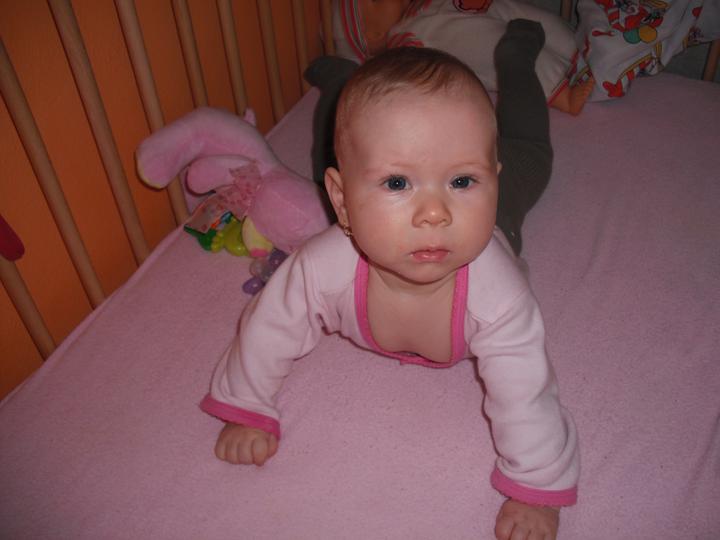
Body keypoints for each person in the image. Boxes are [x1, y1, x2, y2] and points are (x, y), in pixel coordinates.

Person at [201, 21, 579, 540]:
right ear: (341, 204)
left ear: (489, 179)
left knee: (530, 151)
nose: (434, 213)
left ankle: (516, 63)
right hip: (371, 191)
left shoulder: (497, 297)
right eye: (398, 183)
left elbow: (526, 393)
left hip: (499, 218)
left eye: (463, 181)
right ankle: (343, 83)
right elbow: (270, 326)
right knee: (344, 142)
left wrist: (535, 487)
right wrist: (247, 407)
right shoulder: (322, 266)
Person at [334, 0, 595, 115]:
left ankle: (574, 48)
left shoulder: (418, 6)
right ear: (374, 34)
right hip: (466, 42)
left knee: (521, 14)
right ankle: (562, 96)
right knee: (506, 50)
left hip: (477, 13)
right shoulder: (402, 43)